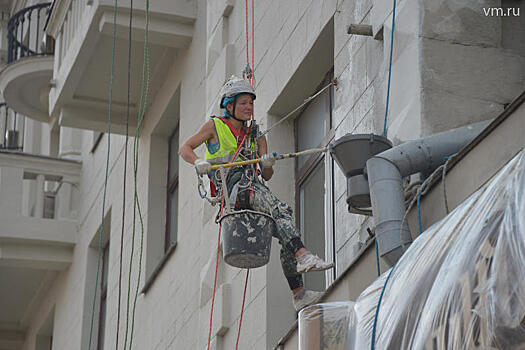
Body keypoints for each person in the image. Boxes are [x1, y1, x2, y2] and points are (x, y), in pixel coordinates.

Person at [179, 76, 334, 311]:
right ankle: (303, 256)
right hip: (235, 188)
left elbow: (266, 175)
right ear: (229, 105)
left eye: (250, 103)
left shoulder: (257, 135)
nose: (248, 108)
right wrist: (199, 161)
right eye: (242, 103)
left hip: (251, 186)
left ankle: (298, 292)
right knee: (281, 211)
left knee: (286, 226)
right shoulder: (215, 126)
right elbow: (185, 148)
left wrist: (268, 163)